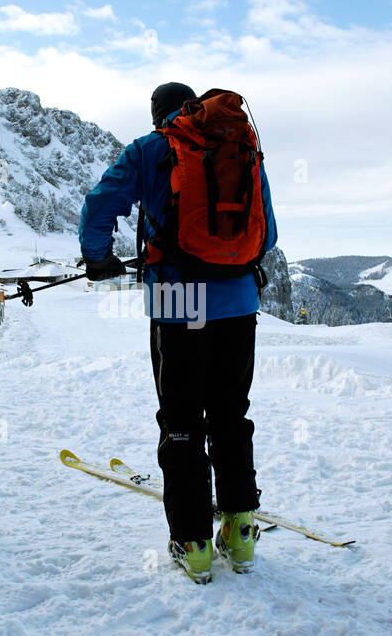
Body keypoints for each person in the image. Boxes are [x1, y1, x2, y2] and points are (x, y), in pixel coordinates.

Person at [79, 82, 277, 584]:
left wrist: (98, 257)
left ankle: (192, 543)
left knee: (182, 421)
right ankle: (239, 530)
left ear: (157, 116)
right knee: (232, 416)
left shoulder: (150, 149)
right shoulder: (240, 144)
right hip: (238, 302)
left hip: (176, 301)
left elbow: (100, 204)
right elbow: (267, 232)